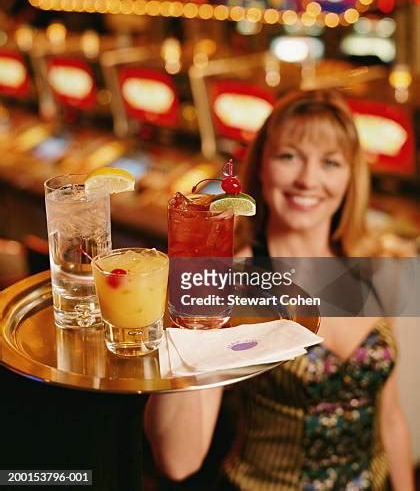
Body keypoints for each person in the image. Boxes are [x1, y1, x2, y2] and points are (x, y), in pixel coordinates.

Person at [144, 89, 414, 490]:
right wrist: (188, 327)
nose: (308, 179)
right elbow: (178, 461)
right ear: (261, 168)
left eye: (330, 162)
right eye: (289, 156)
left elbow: (389, 414)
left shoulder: (370, 268)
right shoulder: (232, 281)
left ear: (350, 177)